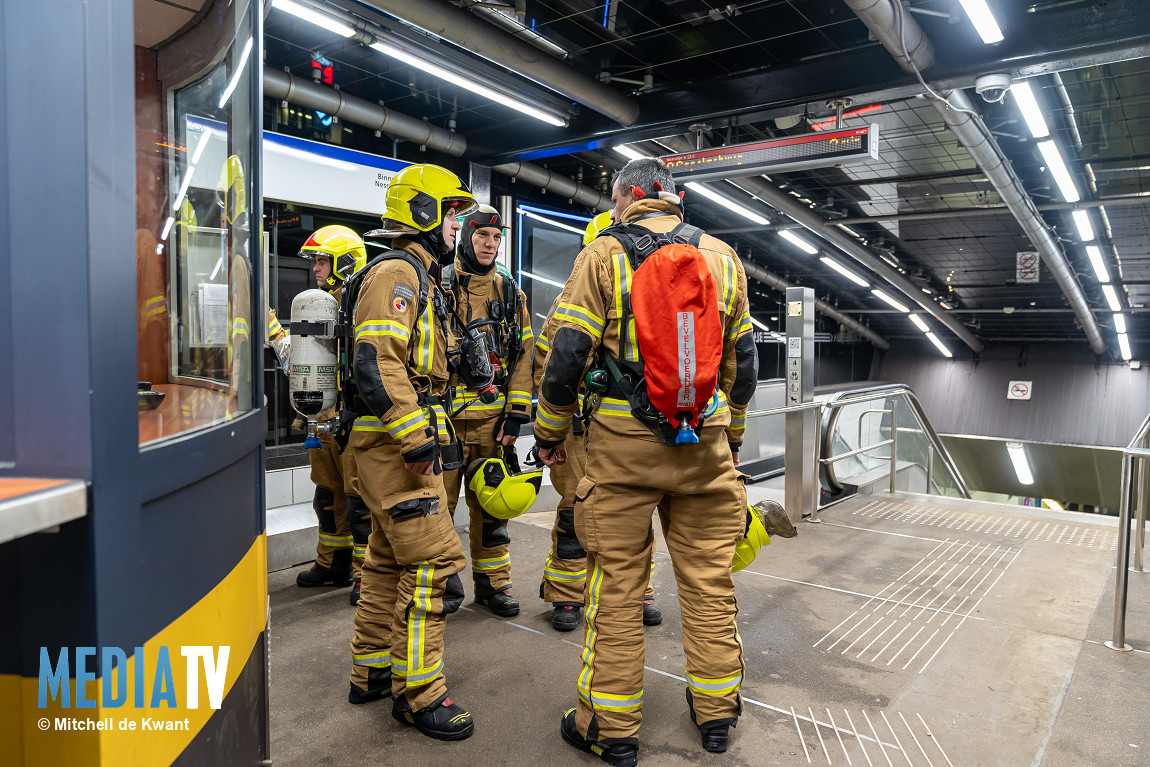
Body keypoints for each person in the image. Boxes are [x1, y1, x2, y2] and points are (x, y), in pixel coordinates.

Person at [534, 157, 758, 764]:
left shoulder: (602, 255)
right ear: (673, 198)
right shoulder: (721, 257)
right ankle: (716, 713)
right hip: (705, 446)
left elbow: (567, 354)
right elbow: (743, 363)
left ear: (625, 197)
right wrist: (730, 438)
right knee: (709, 583)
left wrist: (550, 432)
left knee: (619, 591)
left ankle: (611, 730)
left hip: (622, 451)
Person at [345, 164, 477, 742]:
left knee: (385, 559)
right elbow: (377, 358)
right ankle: (419, 694)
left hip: (384, 442)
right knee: (433, 563)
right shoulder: (399, 272)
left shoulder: (418, 275)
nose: (458, 226)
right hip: (390, 444)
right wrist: (416, 437)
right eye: (451, 214)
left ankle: (371, 670)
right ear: (422, 213)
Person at [534, 211, 661, 633]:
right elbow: (547, 363)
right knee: (573, 515)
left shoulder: (653, 307)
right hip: (579, 435)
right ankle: (567, 595)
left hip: (625, 429)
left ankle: (638, 592)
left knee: (634, 517)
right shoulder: (567, 306)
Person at [441, 204, 534, 617]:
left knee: (493, 511)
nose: (490, 245)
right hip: (441, 423)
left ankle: (494, 586)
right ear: (466, 236)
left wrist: (516, 412)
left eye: (496, 238)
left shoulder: (511, 293)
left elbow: (525, 355)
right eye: (482, 236)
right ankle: (440, 584)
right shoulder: (438, 284)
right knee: (436, 512)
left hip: (492, 426)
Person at [292, 226, 370, 605]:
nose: (317, 269)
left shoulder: (361, 304)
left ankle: (364, 575)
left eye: (323, 261)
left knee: (359, 502)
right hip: (322, 417)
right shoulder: (314, 304)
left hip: (352, 419)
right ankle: (333, 564)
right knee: (327, 495)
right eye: (316, 262)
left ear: (344, 263)